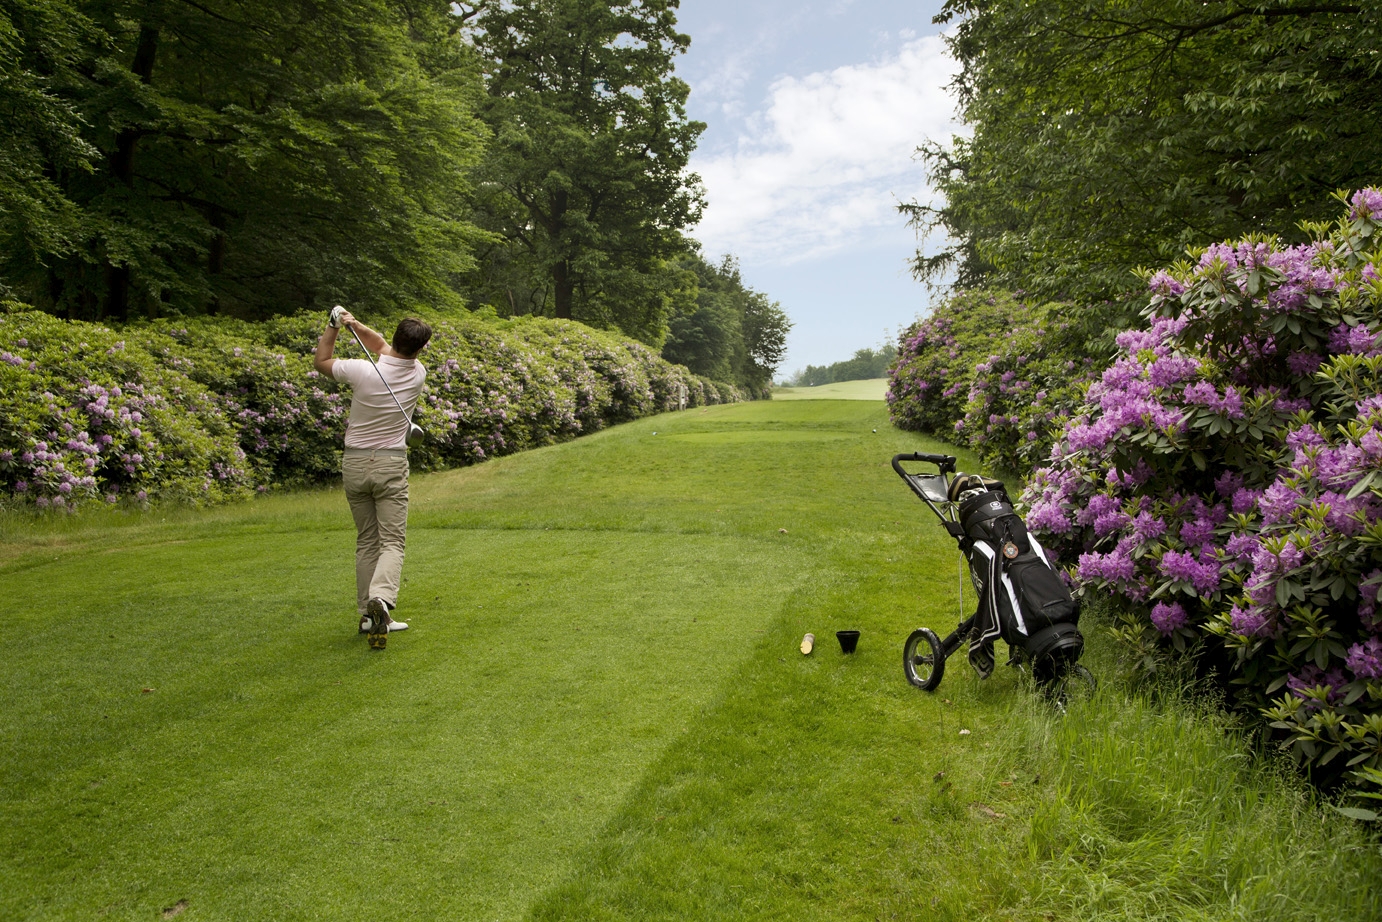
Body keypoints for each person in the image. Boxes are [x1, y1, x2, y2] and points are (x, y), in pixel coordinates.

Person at [314, 310, 432, 650]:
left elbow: (322, 360)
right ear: (421, 348)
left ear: (395, 338)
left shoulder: (362, 369)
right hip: (390, 464)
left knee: (367, 540)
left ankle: (368, 616)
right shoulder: (417, 373)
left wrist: (336, 326)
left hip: (353, 463)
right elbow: (381, 346)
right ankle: (380, 600)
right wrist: (355, 325)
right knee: (392, 541)